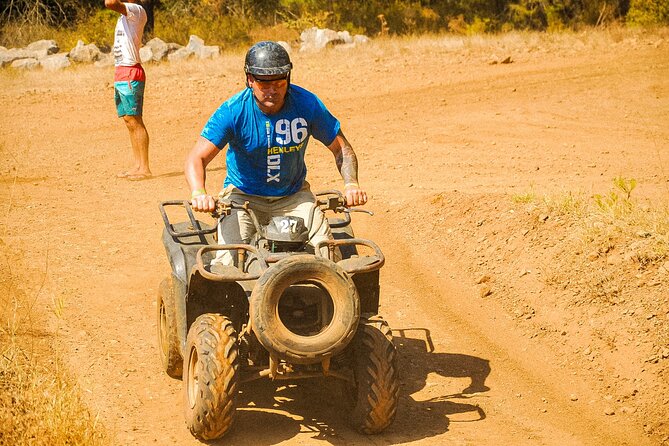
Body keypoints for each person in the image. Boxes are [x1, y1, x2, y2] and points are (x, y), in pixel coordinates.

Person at [185, 41, 367, 266]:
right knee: (228, 264)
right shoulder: (233, 112)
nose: (273, 90)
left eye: (279, 82)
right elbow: (197, 158)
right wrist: (198, 193)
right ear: (250, 80)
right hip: (243, 198)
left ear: (288, 78)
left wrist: (351, 185)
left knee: (327, 255)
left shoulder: (307, 104)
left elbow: (342, 149)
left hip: (293, 196)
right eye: (264, 84)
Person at [105, 0, 151, 180]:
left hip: (131, 71)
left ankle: (145, 168)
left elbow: (109, 3)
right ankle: (138, 166)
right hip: (122, 71)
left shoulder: (136, 10)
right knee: (128, 120)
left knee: (135, 120)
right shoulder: (126, 14)